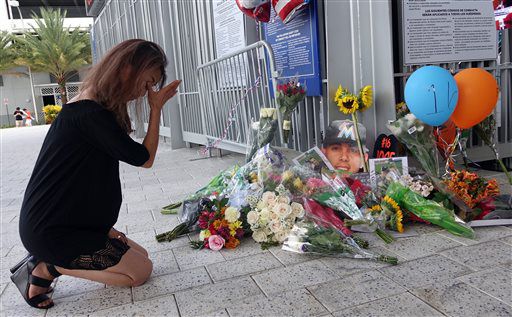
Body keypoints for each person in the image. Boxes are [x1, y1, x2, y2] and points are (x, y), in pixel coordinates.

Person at [10, 39, 181, 309]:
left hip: (66, 224)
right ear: (127, 68)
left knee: (143, 257)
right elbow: (144, 159)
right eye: (146, 82)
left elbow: (82, 182)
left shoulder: (95, 107)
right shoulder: (90, 113)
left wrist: (105, 229)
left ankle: (47, 261)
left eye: (152, 86)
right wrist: (156, 109)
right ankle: (47, 267)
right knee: (138, 273)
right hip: (52, 232)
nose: (145, 92)